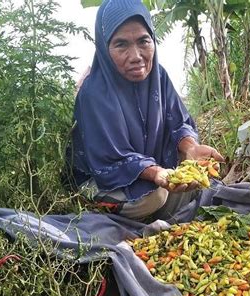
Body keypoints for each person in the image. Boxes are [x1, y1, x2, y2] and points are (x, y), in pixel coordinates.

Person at [67, 0, 223, 221]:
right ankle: (118, 212)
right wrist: (156, 173)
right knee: (154, 197)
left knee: (203, 180)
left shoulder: (159, 77)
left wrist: (190, 149)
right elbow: (111, 159)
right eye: (121, 44)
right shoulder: (94, 93)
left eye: (143, 41)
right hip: (104, 178)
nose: (136, 56)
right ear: (104, 47)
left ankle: (158, 212)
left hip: (151, 170)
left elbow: (178, 124)